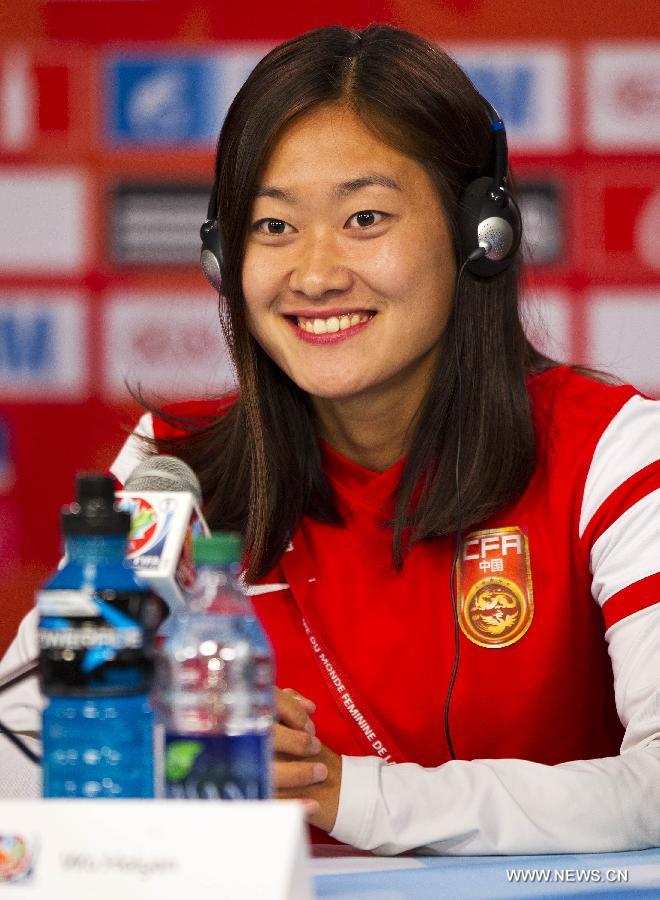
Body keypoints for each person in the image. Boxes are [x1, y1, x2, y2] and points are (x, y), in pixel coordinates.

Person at [2, 24, 660, 855]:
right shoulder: (176, 470)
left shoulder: (616, 453)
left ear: (478, 235)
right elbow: (16, 748)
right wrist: (144, 759)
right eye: (274, 228)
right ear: (222, 257)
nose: (313, 275)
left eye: (364, 217)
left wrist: (345, 789)